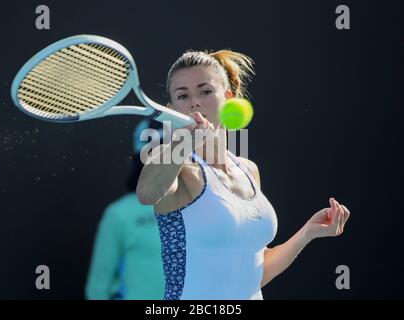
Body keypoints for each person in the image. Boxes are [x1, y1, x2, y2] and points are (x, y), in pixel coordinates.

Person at [136, 49, 351, 300]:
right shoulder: (177, 165)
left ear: (228, 98)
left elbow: (253, 273)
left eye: (205, 91)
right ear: (171, 110)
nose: (194, 101)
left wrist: (307, 233)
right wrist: (182, 143)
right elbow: (147, 194)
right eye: (183, 96)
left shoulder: (248, 170)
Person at [85, 120, 165, 300]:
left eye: (170, 152)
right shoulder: (119, 213)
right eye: (153, 153)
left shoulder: (205, 207)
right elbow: (98, 285)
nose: (164, 162)